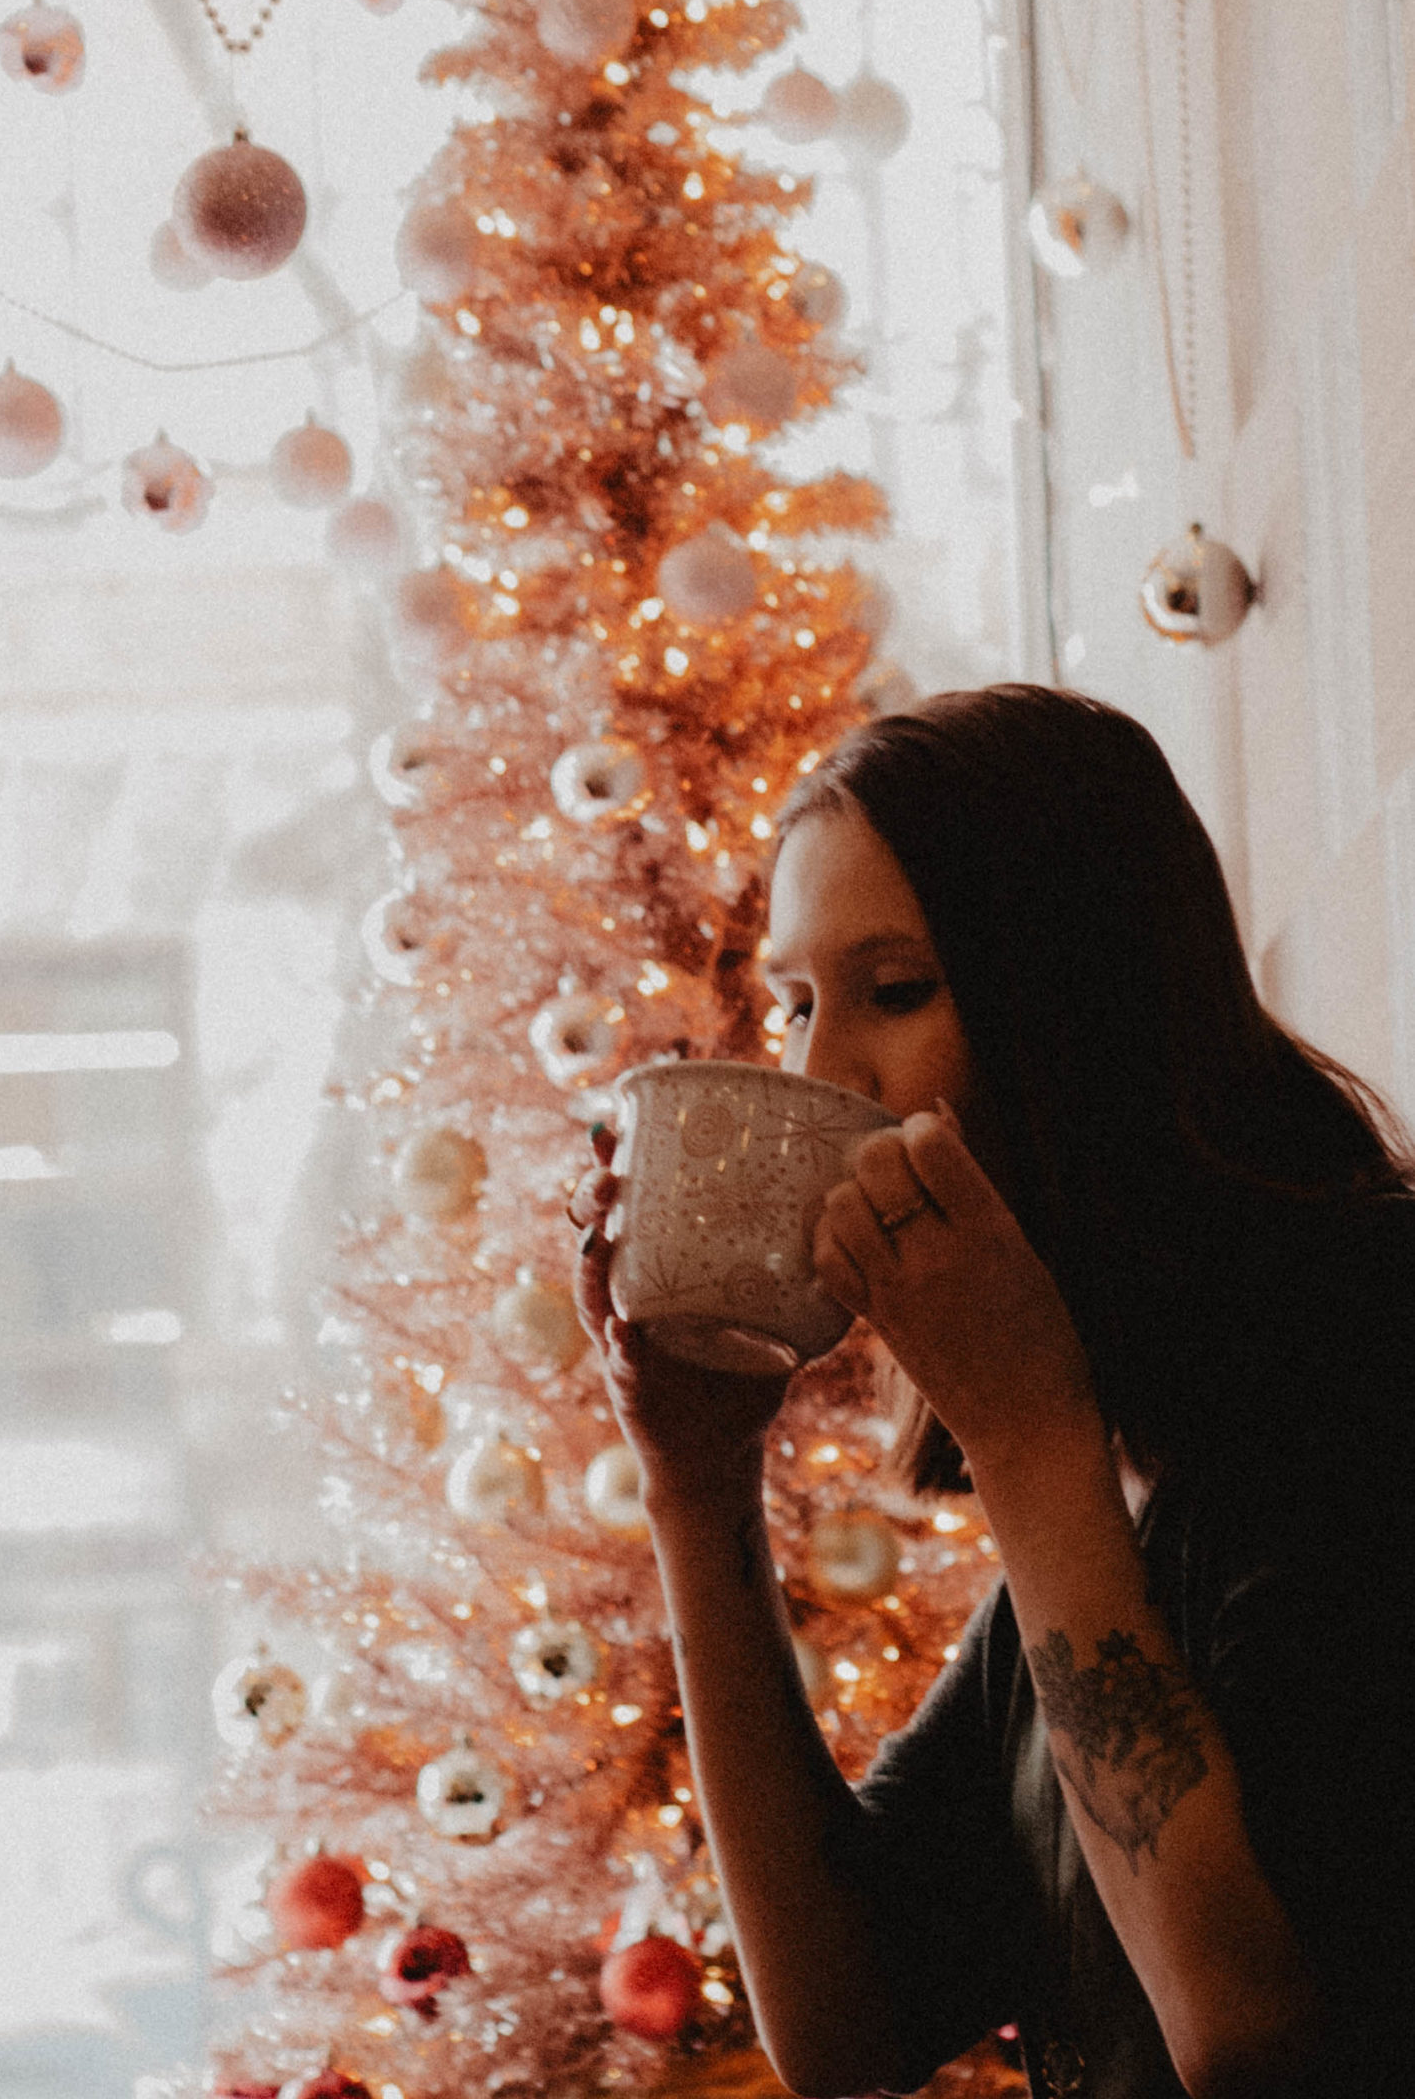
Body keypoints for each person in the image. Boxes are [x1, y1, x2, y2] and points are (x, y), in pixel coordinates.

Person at [570, 685, 1415, 2099]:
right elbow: (845, 2021)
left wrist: (1026, 1437)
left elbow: (1254, 2040)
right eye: (794, 1005)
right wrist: (696, 1488)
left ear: (1087, 1010)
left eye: (899, 991)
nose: (822, 1074)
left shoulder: (1363, 1354)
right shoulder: (1125, 1437)